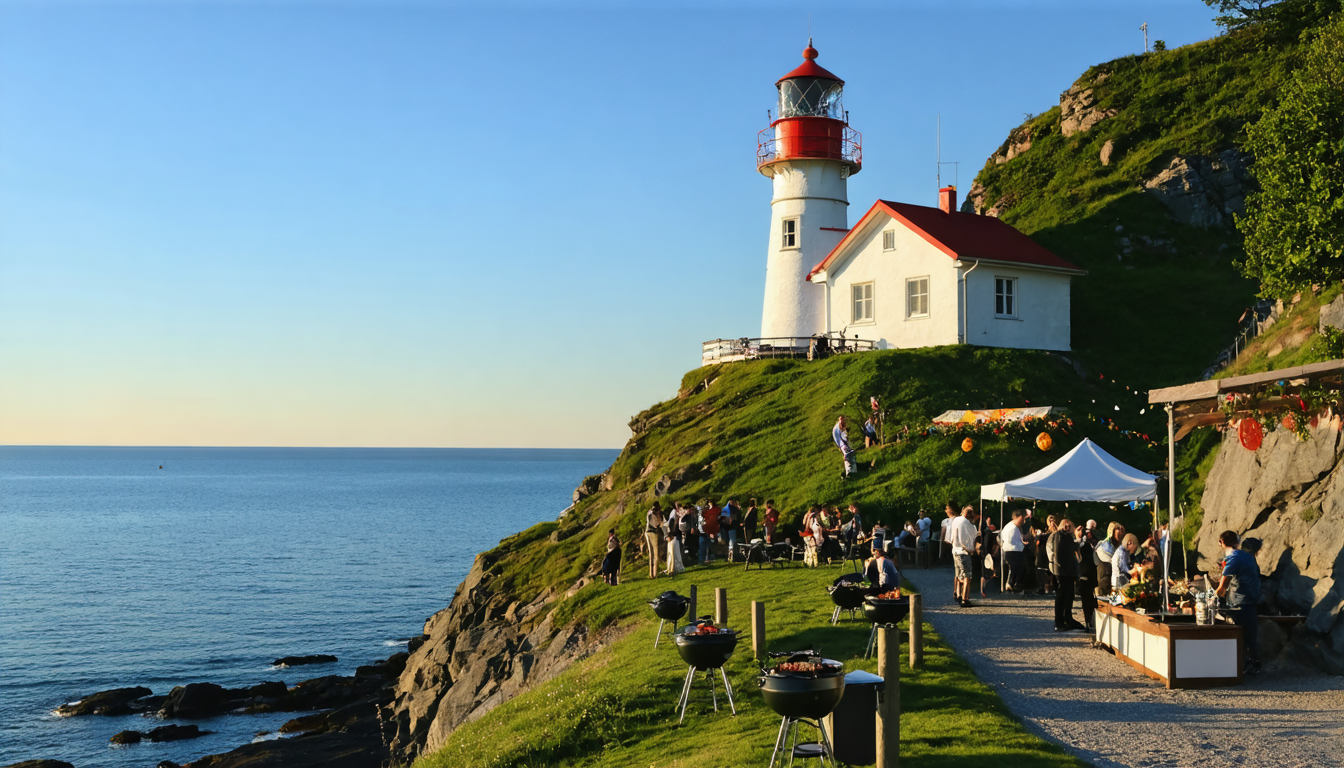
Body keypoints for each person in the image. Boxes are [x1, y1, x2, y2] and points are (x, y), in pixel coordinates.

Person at [1217, 530, 1262, 674]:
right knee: (1251, 636)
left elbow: (1222, 587)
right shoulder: (1247, 556)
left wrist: (1214, 596)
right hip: (1252, 600)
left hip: (1240, 602)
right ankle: (1255, 665)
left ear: (1222, 542)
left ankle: (1240, 667)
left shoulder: (1234, 558)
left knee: (1240, 636)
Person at [1049, 519, 1085, 631]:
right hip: (1063, 571)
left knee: (1069, 596)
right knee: (1062, 596)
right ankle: (1059, 622)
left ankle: (1067, 618)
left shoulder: (1063, 536)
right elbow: (1065, 551)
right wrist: (1078, 538)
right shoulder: (1059, 536)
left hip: (1067, 571)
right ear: (1067, 526)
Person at [949, 505, 979, 607]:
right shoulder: (968, 524)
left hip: (955, 551)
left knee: (958, 574)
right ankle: (965, 599)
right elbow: (972, 535)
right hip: (963, 552)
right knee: (967, 576)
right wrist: (971, 549)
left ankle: (957, 594)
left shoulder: (956, 520)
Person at [1076, 522, 1098, 631]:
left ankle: (1093, 621)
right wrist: (1078, 539)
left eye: (1091, 531)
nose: (1089, 534)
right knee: (1086, 600)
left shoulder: (1098, 543)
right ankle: (1088, 621)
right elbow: (1077, 557)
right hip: (1085, 574)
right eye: (1087, 531)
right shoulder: (1081, 545)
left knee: (1095, 600)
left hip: (1095, 574)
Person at [1000, 509, 1027, 593]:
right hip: (1012, 551)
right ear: (1017, 517)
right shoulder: (1012, 528)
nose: (1023, 521)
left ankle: (1013, 585)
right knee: (1014, 568)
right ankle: (1010, 584)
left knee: (1018, 568)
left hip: (1014, 550)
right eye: (1022, 518)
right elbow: (1009, 541)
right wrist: (1021, 544)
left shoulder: (1013, 527)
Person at [1094, 522, 1125, 596]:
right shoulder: (1104, 546)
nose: (1120, 532)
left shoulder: (1120, 546)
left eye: (1122, 530)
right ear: (1112, 531)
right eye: (1118, 529)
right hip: (1105, 580)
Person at [645, 502, 665, 580]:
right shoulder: (654, 514)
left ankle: (650, 573)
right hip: (653, 533)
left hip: (647, 532)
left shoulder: (649, 512)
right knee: (656, 553)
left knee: (651, 553)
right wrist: (659, 517)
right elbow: (657, 524)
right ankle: (655, 573)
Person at [664, 507, 685, 576]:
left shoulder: (670, 520)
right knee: (673, 554)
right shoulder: (673, 520)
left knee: (672, 554)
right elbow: (674, 526)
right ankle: (671, 569)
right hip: (673, 537)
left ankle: (672, 568)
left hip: (672, 537)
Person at [700, 499, 721, 564]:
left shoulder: (712, 510)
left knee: (707, 544)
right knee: (704, 545)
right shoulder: (707, 511)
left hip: (709, 528)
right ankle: (703, 559)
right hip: (705, 529)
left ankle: (706, 558)